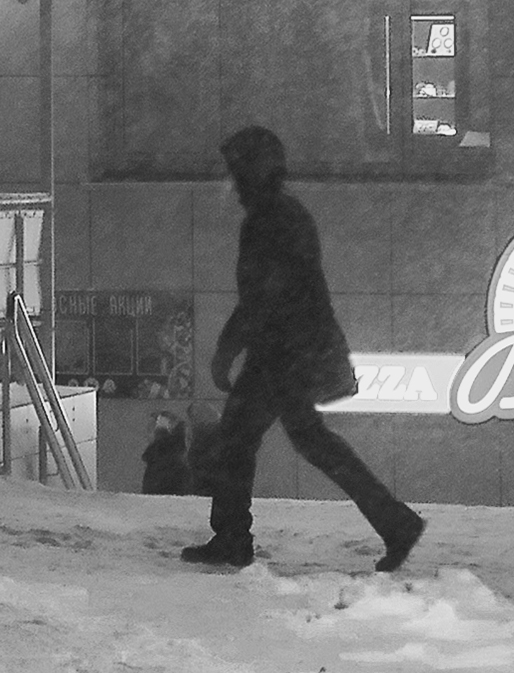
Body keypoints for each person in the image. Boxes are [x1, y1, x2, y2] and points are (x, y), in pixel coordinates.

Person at [181, 125, 425, 572]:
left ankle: (233, 538)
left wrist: (228, 347)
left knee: (238, 440)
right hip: (293, 350)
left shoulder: (269, 220)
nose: (231, 184)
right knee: (310, 442)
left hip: (282, 354)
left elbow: (264, 296)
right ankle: (395, 522)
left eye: (235, 173)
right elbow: (273, 294)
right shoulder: (284, 215)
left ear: (250, 173)